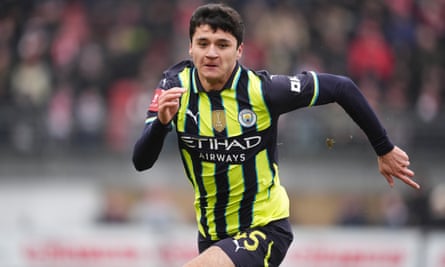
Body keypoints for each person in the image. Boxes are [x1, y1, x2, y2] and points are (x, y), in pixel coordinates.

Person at [132, 3, 420, 267]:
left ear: (239, 50)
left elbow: (341, 88)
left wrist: (384, 148)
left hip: (264, 228)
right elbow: (141, 161)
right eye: (203, 43)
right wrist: (160, 123)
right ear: (190, 48)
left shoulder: (263, 91)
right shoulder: (173, 86)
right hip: (211, 235)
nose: (211, 53)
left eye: (223, 44)